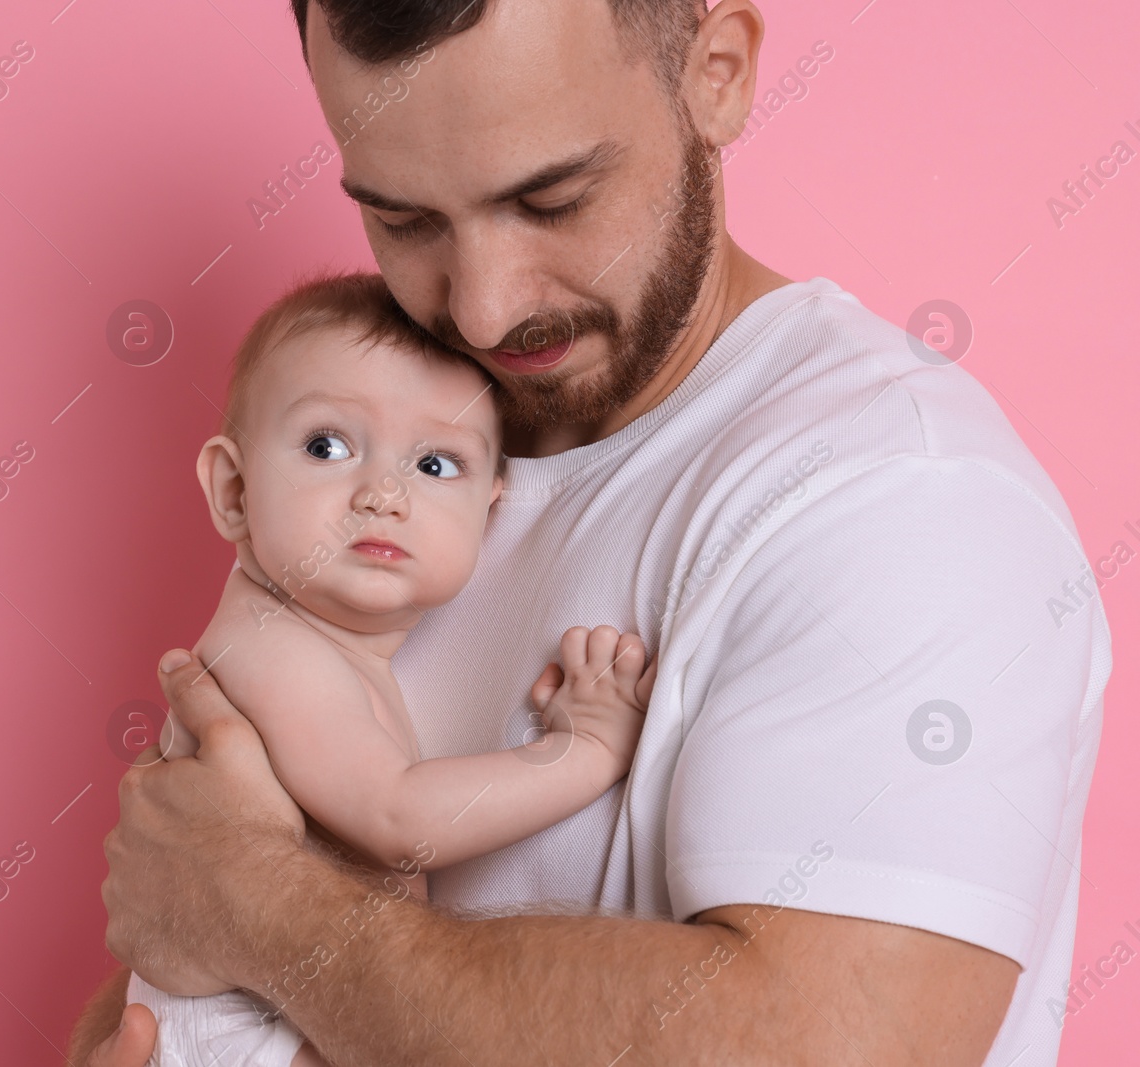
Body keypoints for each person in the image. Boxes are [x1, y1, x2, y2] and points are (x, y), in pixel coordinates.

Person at [72, 1, 1111, 1064]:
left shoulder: (897, 495)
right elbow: (181, 937)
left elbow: (823, 1044)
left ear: (717, 73)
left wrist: (257, 907)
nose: (480, 309)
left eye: (550, 200)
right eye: (404, 220)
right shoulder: (399, 462)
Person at [126, 270, 653, 1067]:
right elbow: (399, 819)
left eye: (436, 465)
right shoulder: (268, 647)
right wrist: (580, 752)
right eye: (327, 446)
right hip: (240, 1028)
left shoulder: (328, 640)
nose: (382, 492)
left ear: (492, 510)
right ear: (234, 491)